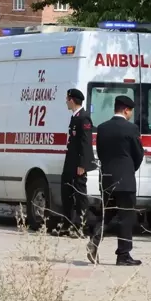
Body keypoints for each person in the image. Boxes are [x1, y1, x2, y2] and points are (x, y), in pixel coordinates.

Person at [87, 95, 144, 266]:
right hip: (125, 180)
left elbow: (101, 152)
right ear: (126, 110)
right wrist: (129, 169)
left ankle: (95, 240)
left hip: (107, 178)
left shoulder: (103, 128)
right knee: (126, 217)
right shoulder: (131, 129)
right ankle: (123, 255)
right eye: (130, 112)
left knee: (107, 213)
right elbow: (138, 154)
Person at [60, 88, 96, 236]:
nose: (66, 102)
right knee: (66, 192)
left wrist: (83, 164)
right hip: (71, 162)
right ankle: (69, 224)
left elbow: (86, 143)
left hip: (78, 164)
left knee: (80, 195)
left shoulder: (83, 118)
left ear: (72, 100)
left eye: (67, 99)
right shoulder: (75, 117)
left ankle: (82, 226)